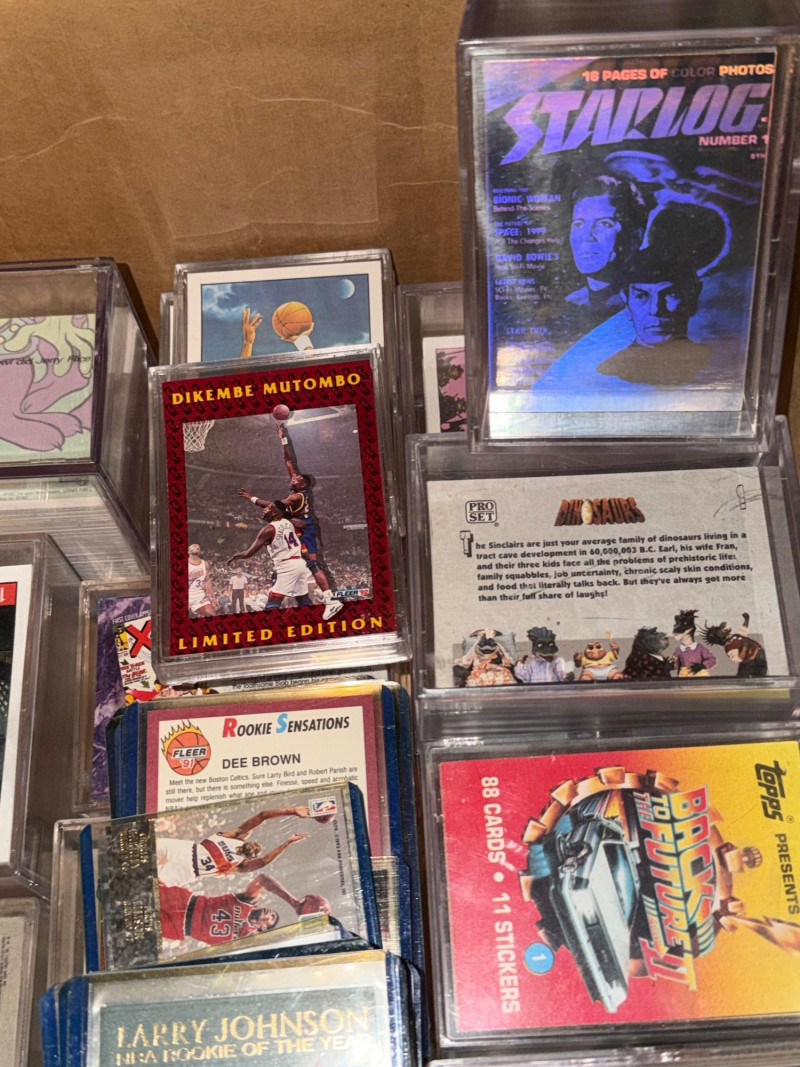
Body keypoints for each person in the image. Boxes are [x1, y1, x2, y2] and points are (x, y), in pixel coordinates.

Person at [237, 423, 343, 620]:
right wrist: (283, 438)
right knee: (291, 565)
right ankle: (293, 600)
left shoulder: (296, 496)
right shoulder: (296, 487)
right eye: (295, 478)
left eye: (297, 479)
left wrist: (252, 498)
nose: (293, 479)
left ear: (302, 485)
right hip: (293, 528)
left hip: (305, 530)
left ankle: (330, 600)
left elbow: (274, 506)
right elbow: (288, 460)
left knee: (312, 564)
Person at [156, 804, 314, 887]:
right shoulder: (236, 837)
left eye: (256, 851)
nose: (254, 848)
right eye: (256, 845)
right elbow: (262, 816)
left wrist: (288, 841)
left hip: (187, 870)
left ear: (249, 857)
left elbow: (264, 861)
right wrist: (292, 811)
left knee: (150, 883)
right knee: (147, 846)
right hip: (185, 851)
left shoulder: (239, 863)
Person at [158, 870, 330, 947]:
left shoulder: (249, 937)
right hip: (183, 901)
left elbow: (281, 943)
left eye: (271, 919)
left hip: (180, 928)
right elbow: (263, 879)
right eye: (272, 912)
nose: (270, 914)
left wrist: (310, 927)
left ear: (264, 928)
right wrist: (293, 902)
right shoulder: (247, 902)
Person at [566, 174, 649, 328]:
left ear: (636, 236)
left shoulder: (650, 308)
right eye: (578, 225)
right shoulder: (570, 305)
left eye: (604, 224)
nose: (586, 236)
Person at [227, 500, 314, 609]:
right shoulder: (290, 522)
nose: (264, 510)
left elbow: (249, 552)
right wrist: (286, 514)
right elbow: (303, 524)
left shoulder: (268, 529)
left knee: (272, 603)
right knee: (303, 599)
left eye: (268, 508)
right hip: (299, 564)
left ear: (275, 512)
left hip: (287, 565)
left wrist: (237, 555)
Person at [188, 544, 216, 618]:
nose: (195, 547)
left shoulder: (205, 563)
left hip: (199, 595)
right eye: (193, 547)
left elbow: (207, 581)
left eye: (197, 547)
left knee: (211, 614)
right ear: (188, 551)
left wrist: (213, 598)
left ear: (199, 551)